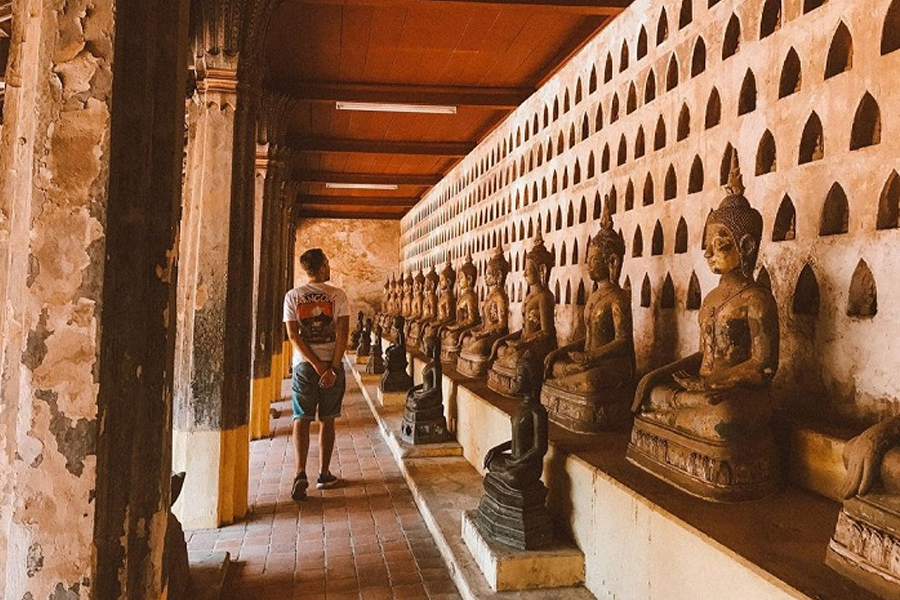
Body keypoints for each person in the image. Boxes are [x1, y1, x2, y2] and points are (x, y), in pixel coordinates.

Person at [283, 248, 350, 501]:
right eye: (328, 263)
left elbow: (293, 336)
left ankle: (300, 472)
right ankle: (323, 473)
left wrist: (315, 365)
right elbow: (342, 334)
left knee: (301, 418)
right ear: (322, 267)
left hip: (304, 366)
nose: (329, 268)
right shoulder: (337, 295)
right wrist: (330, 367)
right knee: (327, 419)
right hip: (331, 365)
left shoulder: (293, 296)